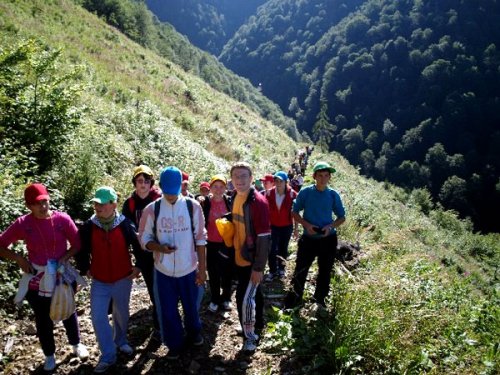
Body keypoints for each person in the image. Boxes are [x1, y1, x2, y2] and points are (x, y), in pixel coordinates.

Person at [0, 183, 88, 371]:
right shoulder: (23, 224)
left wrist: (64, 259)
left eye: (45, 201)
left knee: (68, 309)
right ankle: (49, 354)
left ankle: (76, 344)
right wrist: (18, 258)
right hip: (37, 277)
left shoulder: (62, 219)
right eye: (37, 203)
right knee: (42, 318)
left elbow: (77, 243)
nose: (43, 206)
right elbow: (1, 244)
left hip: (61, 274)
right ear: (29, 206)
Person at [138, 166, 207, 360]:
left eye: (174, 192)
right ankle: (175, 344)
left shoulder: (192, 206)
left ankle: (194, 334)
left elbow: (201, 238)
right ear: (160, 187)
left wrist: (202, 269)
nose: (171, 196)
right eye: (167, 192)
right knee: (167, 310)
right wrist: (159, 248)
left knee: (191, 308)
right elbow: (143, 238)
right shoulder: (152, 209)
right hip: (163, 271)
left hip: (189, 268)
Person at [77, 186, 142, 373]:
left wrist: (138, 267)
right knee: (98, 317)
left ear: (114, 204)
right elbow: (82, 249)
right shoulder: (90, 226)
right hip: (100, 280)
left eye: (102, 203)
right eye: (95, 203)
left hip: (123, 278)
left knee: (121, 313)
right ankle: (108, 355)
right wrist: (85, 268)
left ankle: (120, 340)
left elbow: (138, 247)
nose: (97, 206)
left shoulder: (125, 224)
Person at [284, 161, 346, 310]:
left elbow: (342, 217)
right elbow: (294, 211)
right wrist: (306, 225)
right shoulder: (306, 192)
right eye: (320, 175)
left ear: (329, 177)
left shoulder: (333, 195)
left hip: (328, 239)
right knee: (301, 269)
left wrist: (330, 226)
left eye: (326, 176)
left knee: (325, 271)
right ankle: (293, 301)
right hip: (309, 239)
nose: (323, 179)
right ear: (314, 176)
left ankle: (319, 300)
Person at [229, 162, 271, 352]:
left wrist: (258, 268)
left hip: (251, 260)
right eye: (236, 176)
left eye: (244, 176)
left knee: (243, 298)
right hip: (239, 257)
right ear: (232, 179)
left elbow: (264, 237)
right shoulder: (236, 196)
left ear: (252, 178)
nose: (240, 180)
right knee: (255, 294)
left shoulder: (258, 202)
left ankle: (250, 337)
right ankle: (257, 325)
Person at [121, 165, 162, 334]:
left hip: (160, 250)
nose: (143, 184)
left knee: (162, 287)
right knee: (153, 289)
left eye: (146, 181)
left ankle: (162, 321)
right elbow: (126, 229)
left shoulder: (160, 200)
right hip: (142, 252)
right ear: (135, 183)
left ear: (151, 183)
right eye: (139, 181)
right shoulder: (129, 204)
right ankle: (159, 324)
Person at [199, 174, 233, 313]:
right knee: (213, 272)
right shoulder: (205, 202)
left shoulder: (230, 201)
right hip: (211, 243)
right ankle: (214, 298)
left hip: (227, 243)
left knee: (227, 272)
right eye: (215, 187)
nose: (218, 190)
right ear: (210, 188)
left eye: (221, 187)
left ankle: (226, 298)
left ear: (225, 188)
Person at [264, 171, 297, 281]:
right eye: (276, 181)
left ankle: (281, 268)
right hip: (272, 225)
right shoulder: (269, 193)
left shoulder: (292, 194)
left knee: (283, 247)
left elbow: (296, 212)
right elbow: (264, 210)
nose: (278, 183)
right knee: (272, 249)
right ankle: (272, 270)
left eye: (281, 181)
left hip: (287, 226)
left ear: (286, 182)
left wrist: (296, 229)